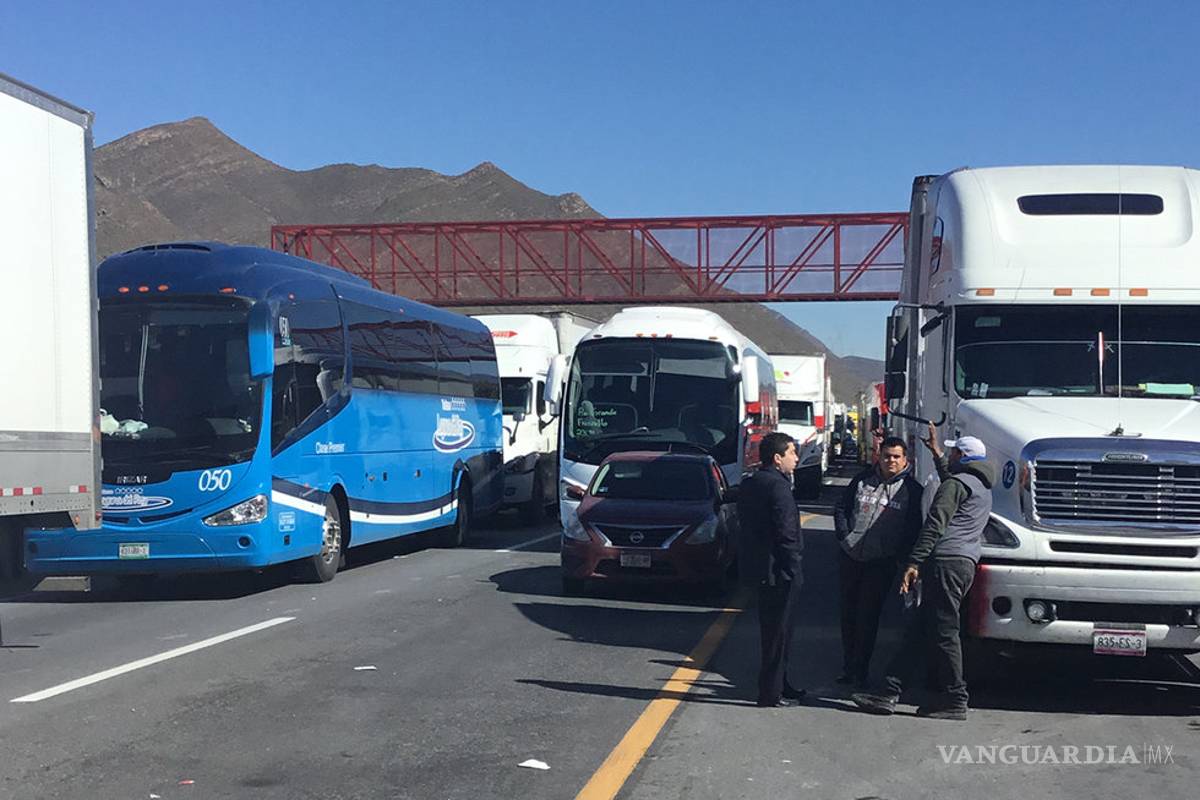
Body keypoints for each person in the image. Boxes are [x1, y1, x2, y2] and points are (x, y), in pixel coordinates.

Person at [852, 424, 994, 721]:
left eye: (954, 452)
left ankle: (955, 697)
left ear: (963, 456)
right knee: (919, 629)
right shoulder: (978, 485)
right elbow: (951, 481)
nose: (951, 456)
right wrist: (937, 453)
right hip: (964, 562)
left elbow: (935, 524)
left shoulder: (956, 485)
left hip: (945, 562)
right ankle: (888, 692)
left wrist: (913, 562)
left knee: (944, 632)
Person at [833, 435, 923, 688]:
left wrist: (904, 559)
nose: (890, 461)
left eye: (896, 457)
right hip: (851, 558)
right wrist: (844, 536)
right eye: (886, 456)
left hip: (881, 563)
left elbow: (914, 528)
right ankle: (848, 667)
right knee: (848, 615)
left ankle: (860, 670)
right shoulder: (862, 480)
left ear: (905, 459)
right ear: (879, 457)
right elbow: (841, 508)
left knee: (867, 617)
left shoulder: (912, 491)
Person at [737, 432, 806, 707]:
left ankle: (781, 683)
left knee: (778, 630)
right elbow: (785, 530)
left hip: (760, 567)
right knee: (778, 632)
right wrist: (794, 565)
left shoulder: (751, 482)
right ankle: (770, 692)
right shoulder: (778, 487)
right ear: (777, 458)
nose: (796, 458)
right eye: (792, 453)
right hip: (779, 570)